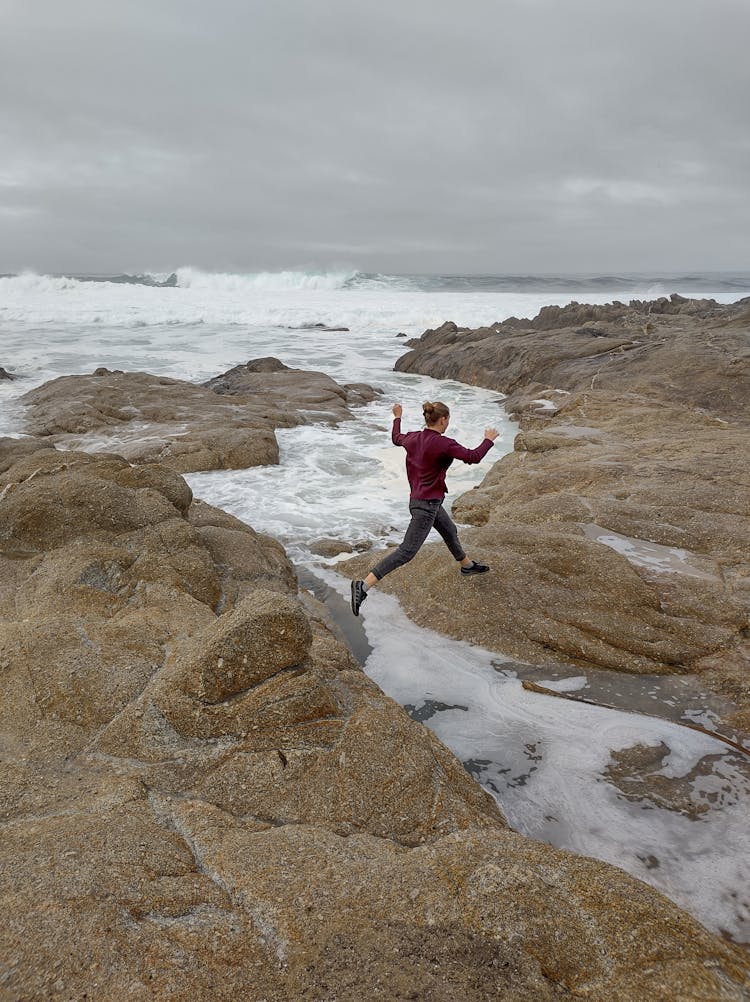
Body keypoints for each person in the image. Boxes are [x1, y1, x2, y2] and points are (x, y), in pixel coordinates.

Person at [351, 400, 499, 615]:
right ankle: (363, 586)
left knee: (450, 531)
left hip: (423, 500)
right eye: (448, 419)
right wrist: (488, 440)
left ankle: (467, 565)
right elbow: (473, 457)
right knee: (406, 552)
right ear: (443, 420)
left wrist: (397, 417)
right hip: (426, 505)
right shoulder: (444, 443)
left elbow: (395, 438)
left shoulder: (412, 438)